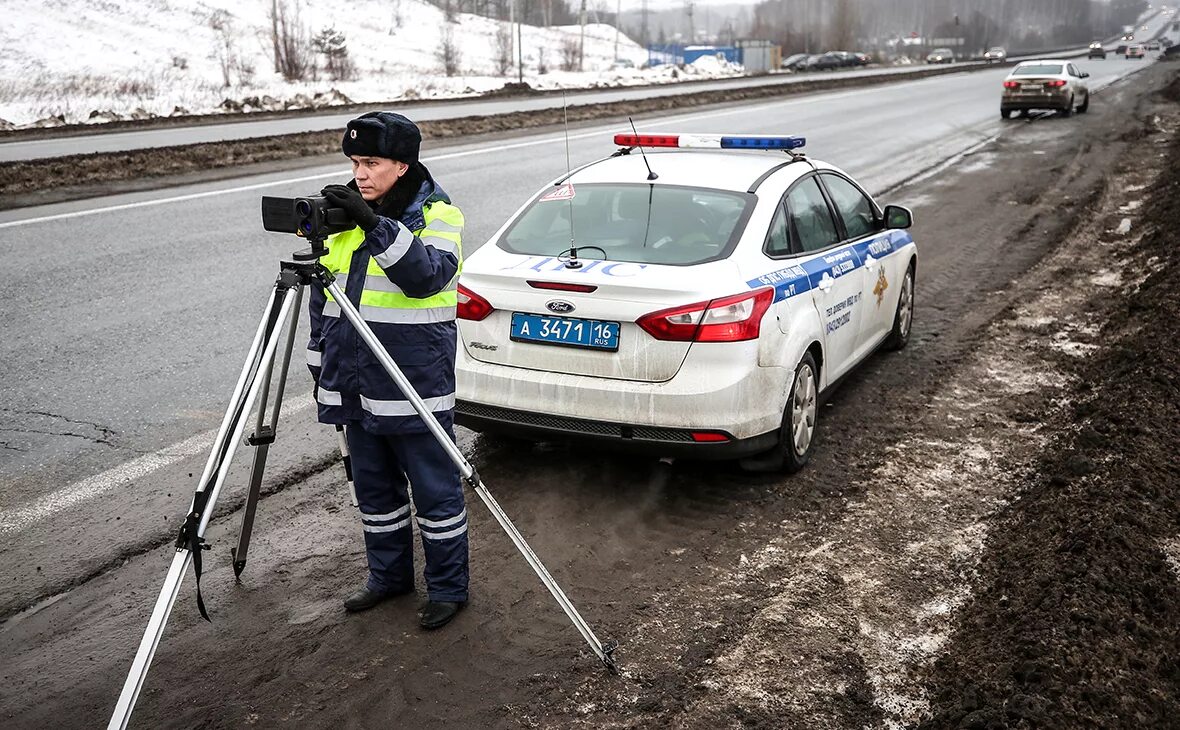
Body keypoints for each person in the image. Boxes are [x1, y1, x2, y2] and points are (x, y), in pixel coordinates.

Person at [306, 111, 468, 630]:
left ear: (402, 164)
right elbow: (322, 301)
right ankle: (388, 578)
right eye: (355, 162)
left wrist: (375, 225)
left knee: (436, 495)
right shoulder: (349, 218)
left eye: (371, 163)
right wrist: (321, 369)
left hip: (413, 386)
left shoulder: (439, 215)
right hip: (355, 385)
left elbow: (427, 277)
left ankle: (448, 589)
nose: (360, 173)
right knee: (374, 493)